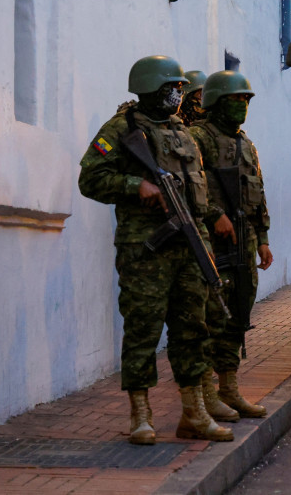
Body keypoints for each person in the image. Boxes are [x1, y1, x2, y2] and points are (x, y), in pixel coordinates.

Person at [78, 56, 233, 446]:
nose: (178, 95)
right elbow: (90, 178)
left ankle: (194, 411)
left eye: (180, 88)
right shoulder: (122, 129)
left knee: (191, 330)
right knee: (143, 329)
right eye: (171, 89)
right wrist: (136, 186)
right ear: (149, 89)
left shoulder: (184, 133)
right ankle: (140, 414)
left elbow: (198, 188)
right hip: (145, 250)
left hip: (189, 245)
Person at [190, 70, 273, 421]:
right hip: (211, 242)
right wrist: (213, 215)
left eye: (246, 100)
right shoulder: (198, 137)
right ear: (216, 103)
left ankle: (229, 388)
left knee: (238, 314)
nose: (242, 105)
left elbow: (258, 192)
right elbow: (188, 185)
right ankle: (206, 393)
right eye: (235, 99)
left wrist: (263, 239)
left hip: (244, 239)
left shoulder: (245, 144)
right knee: (212, 316)